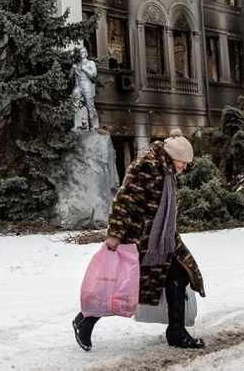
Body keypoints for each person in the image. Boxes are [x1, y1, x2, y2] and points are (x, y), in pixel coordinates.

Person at [72, 129, 205, 351]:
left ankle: (176, 332)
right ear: (173, 156)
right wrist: (115, 235)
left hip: (161, 239)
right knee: (121, 286)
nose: (185, 167)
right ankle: (84, 321)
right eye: (183, 162)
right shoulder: (148, 166)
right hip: (138, 240)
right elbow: (124, 200)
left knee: (178, 273)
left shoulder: (165, 170)